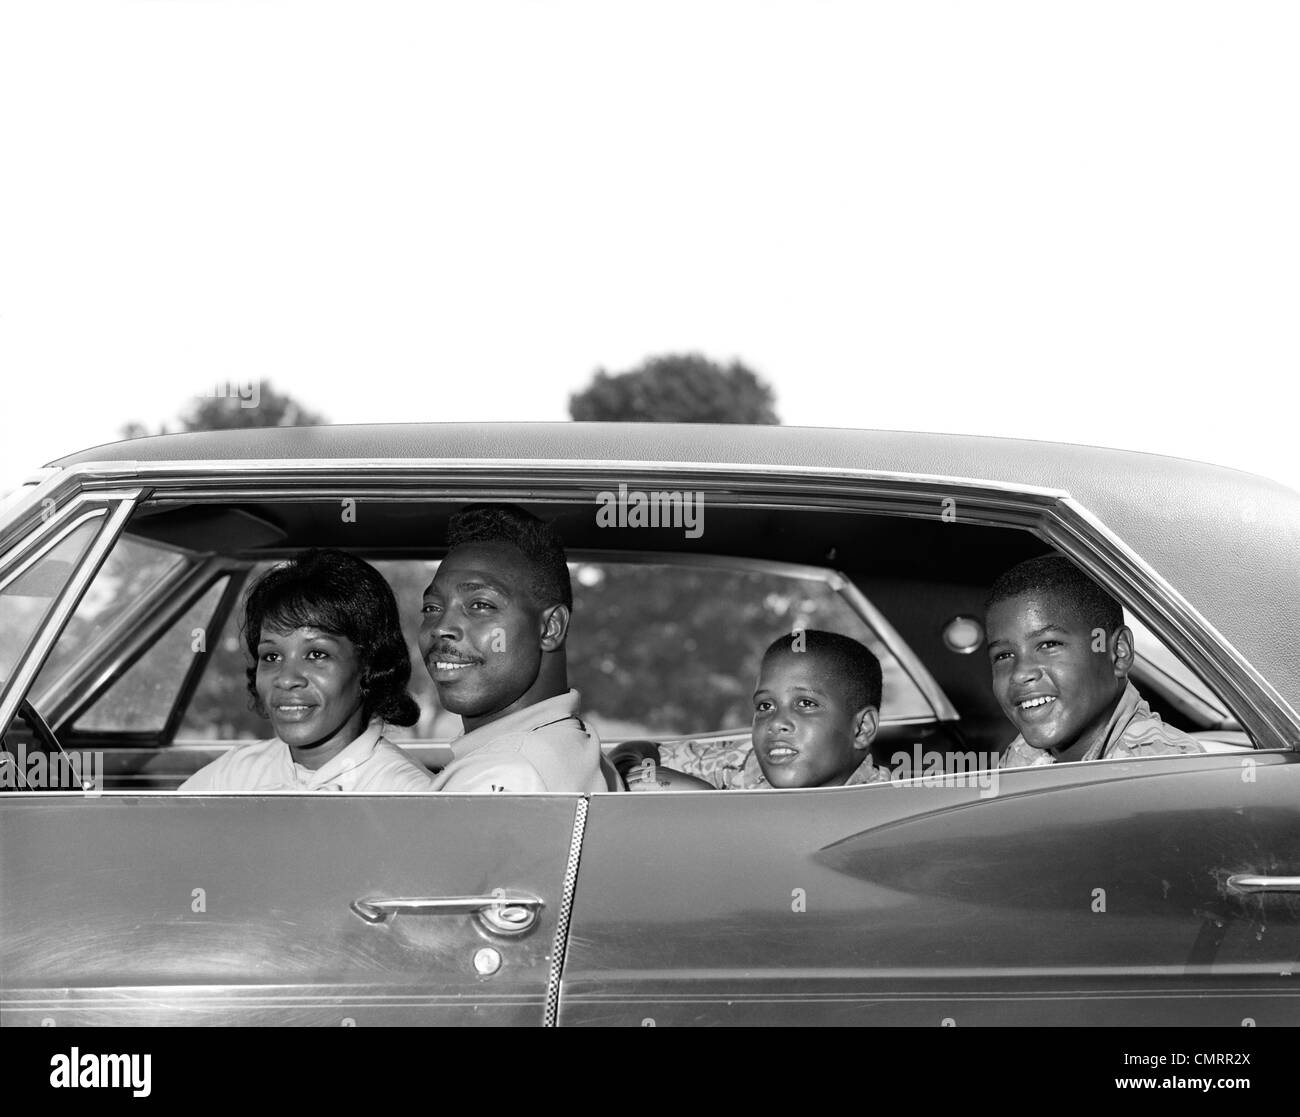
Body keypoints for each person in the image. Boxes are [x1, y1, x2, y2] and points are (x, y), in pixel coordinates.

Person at [181, 549, 436, 792]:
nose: (287, 679)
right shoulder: (228, 778)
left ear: (369, 664)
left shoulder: (408, 795)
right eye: (271, 656)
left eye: (316, 654)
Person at [418, 504, 604, 793]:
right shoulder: (573, 742)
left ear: (550, 627)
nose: (440, 627)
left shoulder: (498, 776)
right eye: (431, 608)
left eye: (480, 605)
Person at [985, 554, 1204, 768]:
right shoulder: (1020, 758)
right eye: (1003, 655)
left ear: (1118, 652)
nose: (1020, 674)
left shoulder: (1167, 770)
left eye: (1049, 645)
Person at [629, 629, 891, 791]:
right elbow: (638, 751)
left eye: (806, 704)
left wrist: (711, 807)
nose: (776, 722)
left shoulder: (891, 813)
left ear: (861, 728)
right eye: (765, 706)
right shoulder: (745, 762)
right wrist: (642, 776)